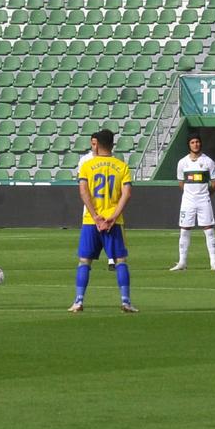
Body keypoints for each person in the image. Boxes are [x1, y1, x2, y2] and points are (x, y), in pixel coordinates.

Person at [71, 128, 135, 313]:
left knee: (84, 262)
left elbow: (83, 192)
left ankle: (78, 301)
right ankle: (126, 302)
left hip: (92, 221)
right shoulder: (121, 166)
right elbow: (127, 193)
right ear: (112, 144)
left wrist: (95, 216)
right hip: (114, 222)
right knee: (120, 261)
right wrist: (113, 216)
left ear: (96, 144)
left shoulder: (87, 166)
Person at [170, 133, 215, 272]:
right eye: (192, 142)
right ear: (189, 145)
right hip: (188, 201)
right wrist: (189, 194)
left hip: (204, 199)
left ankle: (214, 262)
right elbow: (181, 183)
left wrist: (205, 193)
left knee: (209, 230)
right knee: (184, 230)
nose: (195, 144)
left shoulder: (208, 162)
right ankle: (182, 262)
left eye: (197, 142)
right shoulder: (182, 163)